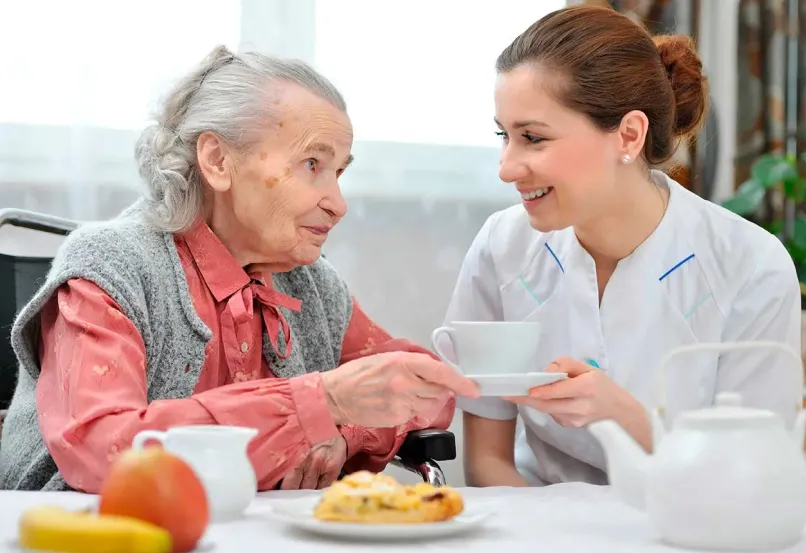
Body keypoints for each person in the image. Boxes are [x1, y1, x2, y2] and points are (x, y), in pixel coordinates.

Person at [0, 46, 479, 492]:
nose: (338, 204)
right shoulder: (112, 266)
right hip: (91, 552)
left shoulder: (310, 284)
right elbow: (104, 447)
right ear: (218, 160)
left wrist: (346, 431)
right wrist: (321, 403)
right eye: (312, 163)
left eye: (339, 173)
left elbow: (428, 386)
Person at [445, 6, 801, 487]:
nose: (507, 167)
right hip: (535, 531)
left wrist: (623, 416)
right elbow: (489, 464)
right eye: (503, 136)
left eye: (532, 137)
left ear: (628, 135)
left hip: (690, 533)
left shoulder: (751, 267)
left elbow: (755, 474)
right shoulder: (501, 246)